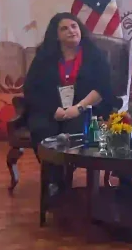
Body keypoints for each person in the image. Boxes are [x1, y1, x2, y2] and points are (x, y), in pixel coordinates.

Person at [22, 13, 114, 150]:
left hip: (84, 108)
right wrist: (53, 110)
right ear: (56, 36)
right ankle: (50, 163)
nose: (71, 31)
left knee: (77, 128)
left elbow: (102, 88)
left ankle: (70, 163)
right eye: (64, 29)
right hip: (51, 110)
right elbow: (31, 89)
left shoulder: (94, 54)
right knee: (42, 128)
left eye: (74, 26)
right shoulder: (44, 57)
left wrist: (78, 108)